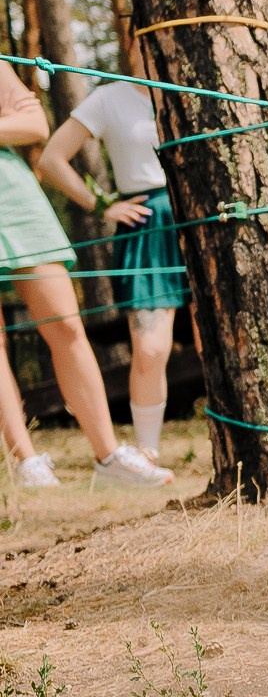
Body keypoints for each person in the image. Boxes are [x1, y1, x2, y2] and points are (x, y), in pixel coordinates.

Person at [0, 62, 170, 488]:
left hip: (12, 196)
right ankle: (26, 461)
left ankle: (109, 456)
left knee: (65, 324)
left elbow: (35, 124)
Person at [36, 49, 185, 464]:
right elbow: (51, 159)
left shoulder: (197, 83)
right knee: (151, 348)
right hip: (148, 225)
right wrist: (101, 205)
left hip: (204, 217)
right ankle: (147, 452)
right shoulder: (109, 97)